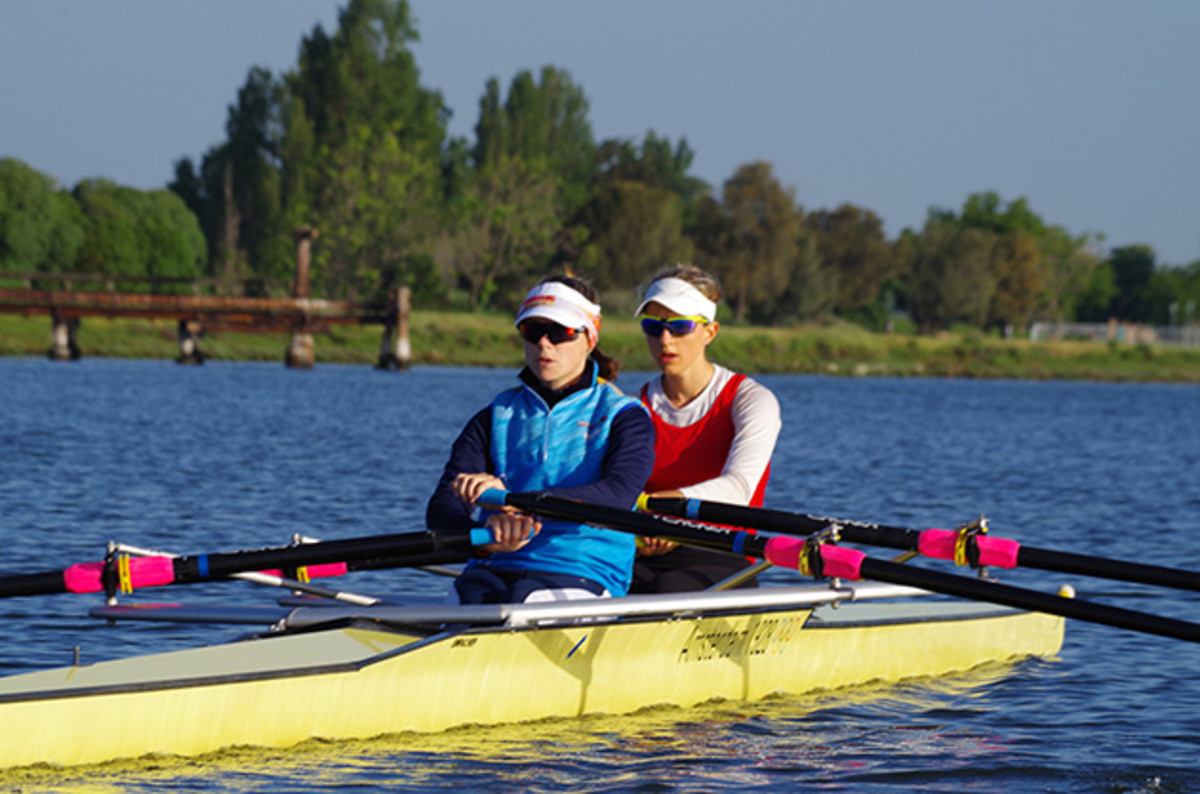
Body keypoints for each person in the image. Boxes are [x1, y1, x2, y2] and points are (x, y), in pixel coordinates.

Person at [426, 275, 655, 605]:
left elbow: (618, 495)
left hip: (584, 570)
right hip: (493, 565)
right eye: (533, 332)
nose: (544, 344)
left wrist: (518, 507)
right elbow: (442, 508)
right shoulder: (494, 416)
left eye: (560, 332)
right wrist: (486, 531)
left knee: (524, 603)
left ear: (590, 337)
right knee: (465, 599)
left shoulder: (624, 416)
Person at [629, 264, 782, 594]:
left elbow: (739, 488)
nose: (665, 340)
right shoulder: (633, 407)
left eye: (680, 326)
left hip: (721, 552)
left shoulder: (751, 401)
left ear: (710, 332)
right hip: (643, 545)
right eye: (653, 327)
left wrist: (668, 514)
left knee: (666, 590)